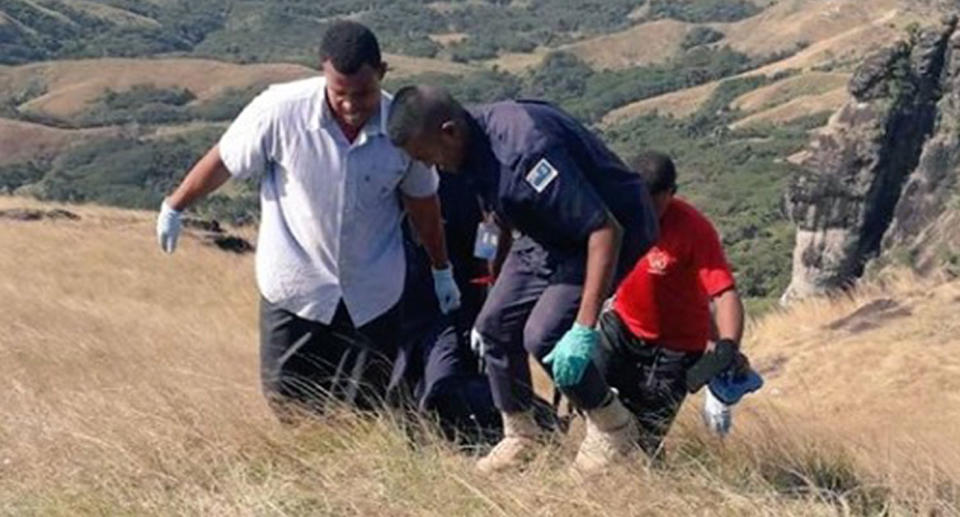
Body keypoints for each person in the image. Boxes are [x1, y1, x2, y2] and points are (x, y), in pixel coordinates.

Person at [155, 22, 460, 421]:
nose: (351, 105)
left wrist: (441, 269)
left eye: (363, 93)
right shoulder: (279, 111)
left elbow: (423, 204)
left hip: (372, 292)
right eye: (340, 93)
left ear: (382, 73)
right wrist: (176, 205)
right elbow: (225, 159)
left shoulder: (403, 128)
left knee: (367, 409)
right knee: (288, 400)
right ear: (323, 74)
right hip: (295, 287)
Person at [386, 87, 659, 472]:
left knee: (544, 334)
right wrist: (486, 273)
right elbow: (494, 218)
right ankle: (522, 434)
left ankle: (613, 426)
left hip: (606, 234)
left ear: (448, 132)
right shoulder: (468, 147)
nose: (432, 167)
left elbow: (603, 230)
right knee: (493, 328)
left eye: (428, 156)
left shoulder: (524, 151)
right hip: (544, 234)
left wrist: (583, 327)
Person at [577, 151, 750, 474]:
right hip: (623, 327)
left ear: (671, 192)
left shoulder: (694, 229)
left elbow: (723, 292)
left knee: (643, 442)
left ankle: (657, 490)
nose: (645, 211)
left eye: (654, 203)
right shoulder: (617, 214)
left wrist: (727, 346)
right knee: (583, 387)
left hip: (674, 350)